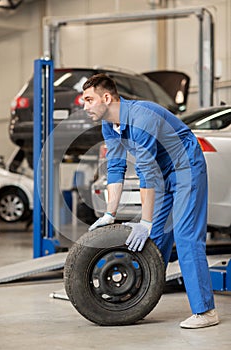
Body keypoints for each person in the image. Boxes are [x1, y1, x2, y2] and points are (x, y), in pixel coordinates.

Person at [82, 73, 219, 329]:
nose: (85, 106)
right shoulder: (109, 125)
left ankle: (206, 311)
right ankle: (139, 302)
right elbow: (115, 168)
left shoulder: (142, 116)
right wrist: (109, 214)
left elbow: (147, 174)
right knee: (156, 238)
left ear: (107, 97)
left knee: (186, 234)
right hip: (164, 169)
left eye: (89, 100)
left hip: (186, 165)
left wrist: (144, 220)